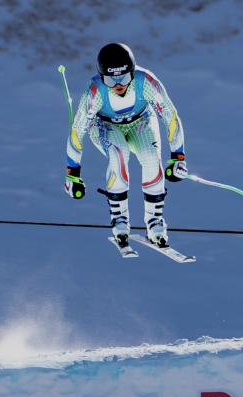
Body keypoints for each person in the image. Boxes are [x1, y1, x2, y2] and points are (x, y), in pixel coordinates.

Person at [64, 42, 188, 249]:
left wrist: (178, 156)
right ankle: (120, 219)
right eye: (111, 80)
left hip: (142, 122)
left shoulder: (146, 81)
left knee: (151, 158)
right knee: (119, 155)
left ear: (132, 71)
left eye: (124, 77)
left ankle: (155, 222)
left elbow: (170, 116)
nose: (118, 85)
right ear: (102, 76)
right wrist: (72, 173)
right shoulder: (95, 91)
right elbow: (78, 131)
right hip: (105, 125)